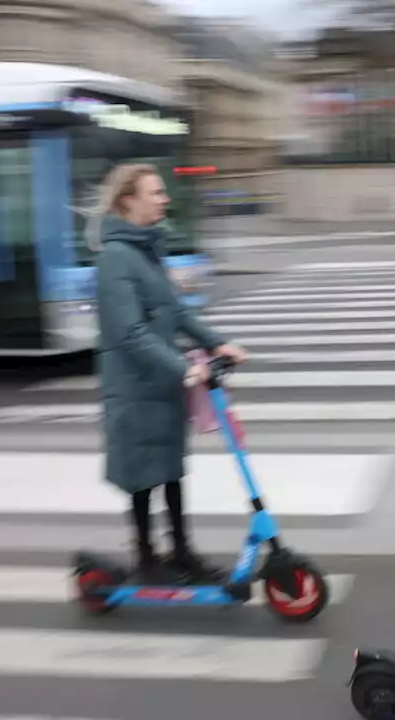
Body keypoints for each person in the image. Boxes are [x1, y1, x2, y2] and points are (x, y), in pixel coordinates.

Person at [90, 162, 249, 584]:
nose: (164, 199)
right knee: (143, 477)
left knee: (171, 470)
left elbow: (177, 312)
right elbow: (130, 332)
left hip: (161, 387)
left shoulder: (147, 253)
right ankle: (146, 558)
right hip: (135, 390)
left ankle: (180, 552)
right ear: (129, 201)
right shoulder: (115, 261)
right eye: (155, 192)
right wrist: (183, 369)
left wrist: (217, 343)